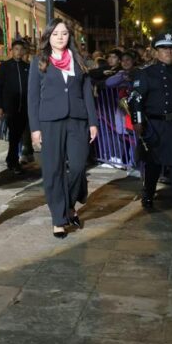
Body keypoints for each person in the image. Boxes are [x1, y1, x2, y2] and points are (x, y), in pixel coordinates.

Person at [28, 19, 99, 237]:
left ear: (70, 37)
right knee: (53, 170)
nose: (60, 37)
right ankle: (58, 218)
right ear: (48, 36)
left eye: (64, 33)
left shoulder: (78, 60)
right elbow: (32, 97)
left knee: (78, 167)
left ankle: (68, 205)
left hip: (77, 120)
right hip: (50, 122)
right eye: (56, 33)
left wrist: (93, 122)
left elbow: (87, 93)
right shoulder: (39, 61)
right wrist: (35, 128)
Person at [130, 33, 172, 217]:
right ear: (156, 52)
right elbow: (135, 99)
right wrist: (137, 121)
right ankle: (148, 195)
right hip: (155, 125)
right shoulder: (146, 73)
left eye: (171, 48)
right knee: (153, 164)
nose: (168, 52)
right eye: (163, 49)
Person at [0, 39, 31, 173]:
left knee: (18, 135)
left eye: (21, 49)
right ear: (12, 51)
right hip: (10, 108)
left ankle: (11, 159)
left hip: (24, 108)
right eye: (16, 49)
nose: (19, 52)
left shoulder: (27, 67)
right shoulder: (5, 66)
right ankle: (13, 161)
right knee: (14, 136)